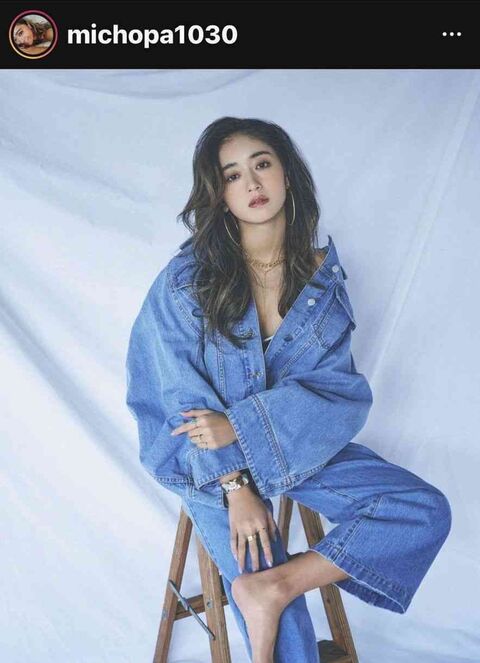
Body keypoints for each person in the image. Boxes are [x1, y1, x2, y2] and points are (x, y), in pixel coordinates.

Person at [125, 117, 452, 663]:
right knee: (289, 636)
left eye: (262, 164)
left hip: (295, 449)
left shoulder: (322, 286)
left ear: (287, 175)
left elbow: (335, 393)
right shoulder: (187, 280)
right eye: (233, 175)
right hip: (205, 464)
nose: (252, 183)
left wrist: (241, 425)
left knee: (421, 510)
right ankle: (271, 591)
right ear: (218, 193)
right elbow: (181, 398)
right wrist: (237, 487)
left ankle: (276, 585)